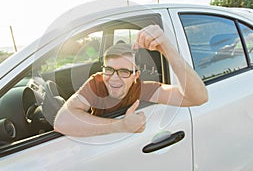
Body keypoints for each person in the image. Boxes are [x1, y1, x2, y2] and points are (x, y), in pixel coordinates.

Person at [54, 25, 208, 137]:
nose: (114, 78)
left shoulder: (142, 89)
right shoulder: (97, 82)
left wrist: (166, 48)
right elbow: (62, 121)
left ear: (136, 76)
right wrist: (121, 125)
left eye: (124, 72)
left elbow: (198, 98)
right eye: (109, 70)